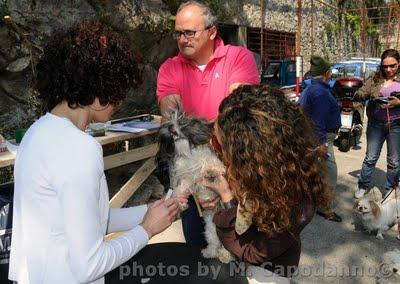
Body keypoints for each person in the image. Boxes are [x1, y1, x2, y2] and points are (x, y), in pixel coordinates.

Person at [9, 21, 182, 284]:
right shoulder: (79, 148)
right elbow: (89, 266)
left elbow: (89, 220)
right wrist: (146, 229)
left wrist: (153, 211)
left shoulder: (37, 132)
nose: (119, 102)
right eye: (117, 93)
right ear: (100, 92)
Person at [156, 0, 260, 247]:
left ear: (212, 31)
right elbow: (172, 125)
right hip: (192, 175)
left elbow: (236, 119)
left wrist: (193, 129)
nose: (182, 39)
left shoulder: (238, 58)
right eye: (178, 33)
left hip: (236, 172)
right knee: (198, 247)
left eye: (189, 32)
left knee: (241, 247)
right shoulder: (170, 68)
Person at [202, 85, 328, 281]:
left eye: (219, 144)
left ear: (250, 155)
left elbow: (253, 253)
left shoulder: (299, 204)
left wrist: (227, 200)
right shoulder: (259, 171)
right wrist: (220, 196)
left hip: (267, 272)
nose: (213, 148)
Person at [298, 55, 342, 222]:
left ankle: (311, 201)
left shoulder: (312, 88)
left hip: (314, 136)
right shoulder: (320, 92)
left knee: (313, 170)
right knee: (330, 172)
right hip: (321, 137)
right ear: (326, 73)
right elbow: (318, 121)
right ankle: (326, 208)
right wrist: (323, 143)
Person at [353, 49, 400, 199]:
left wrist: (399, 102)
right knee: (371, 158)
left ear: (399, 63)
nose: (388, 70)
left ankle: (390, 189)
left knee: (394, 161)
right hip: (376, 125)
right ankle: (363, 185)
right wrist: (371, 94)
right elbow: (358, 94)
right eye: (385, 66)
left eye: (392, 66)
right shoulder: (374, 78)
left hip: (396, 125)